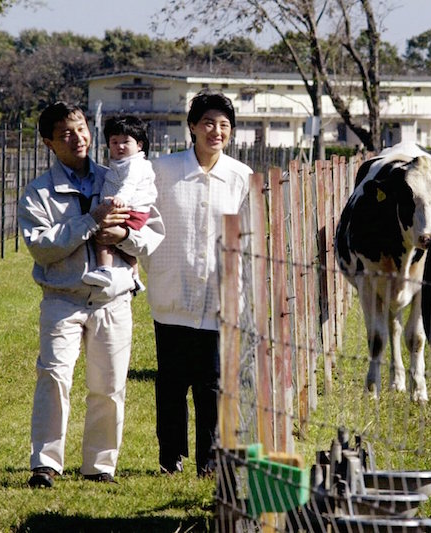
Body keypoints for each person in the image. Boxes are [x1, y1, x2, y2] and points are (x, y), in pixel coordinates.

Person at [18, 102, 165, 488]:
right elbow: (43, 247)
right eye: (65, 133)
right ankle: (45, 464)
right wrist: (90, 221)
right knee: (54, 377)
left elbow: (152, 233)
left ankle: (101, 466)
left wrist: (126, 237)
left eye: (81, 128)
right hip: (62, 299)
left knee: (110, 384)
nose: (77, 137)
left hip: (112, 299)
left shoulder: (119, 175)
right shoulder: (39, 193)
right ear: (49, 142)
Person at [144, 90, 252, 477]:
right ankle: (169, 457)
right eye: (208, 122)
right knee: (171, 382)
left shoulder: (241, 177)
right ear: (191, 126)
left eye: (224, 125)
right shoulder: (163, 170)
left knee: (212, 384)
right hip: (171, 290)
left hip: (218, 296)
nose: (216, 131)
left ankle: (209, 459)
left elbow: (249, 237)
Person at [82, 115, 157, 293]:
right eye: (114, 142)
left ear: (139, 145)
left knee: (103, 234)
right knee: (123, 247)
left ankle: (104, 269)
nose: (119, 146)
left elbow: (129, 184)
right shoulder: (120, 163)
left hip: (130, 210)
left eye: (126, 141)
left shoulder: (136, 165)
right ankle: (135, 277)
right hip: (129, 209)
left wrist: (120, 198)